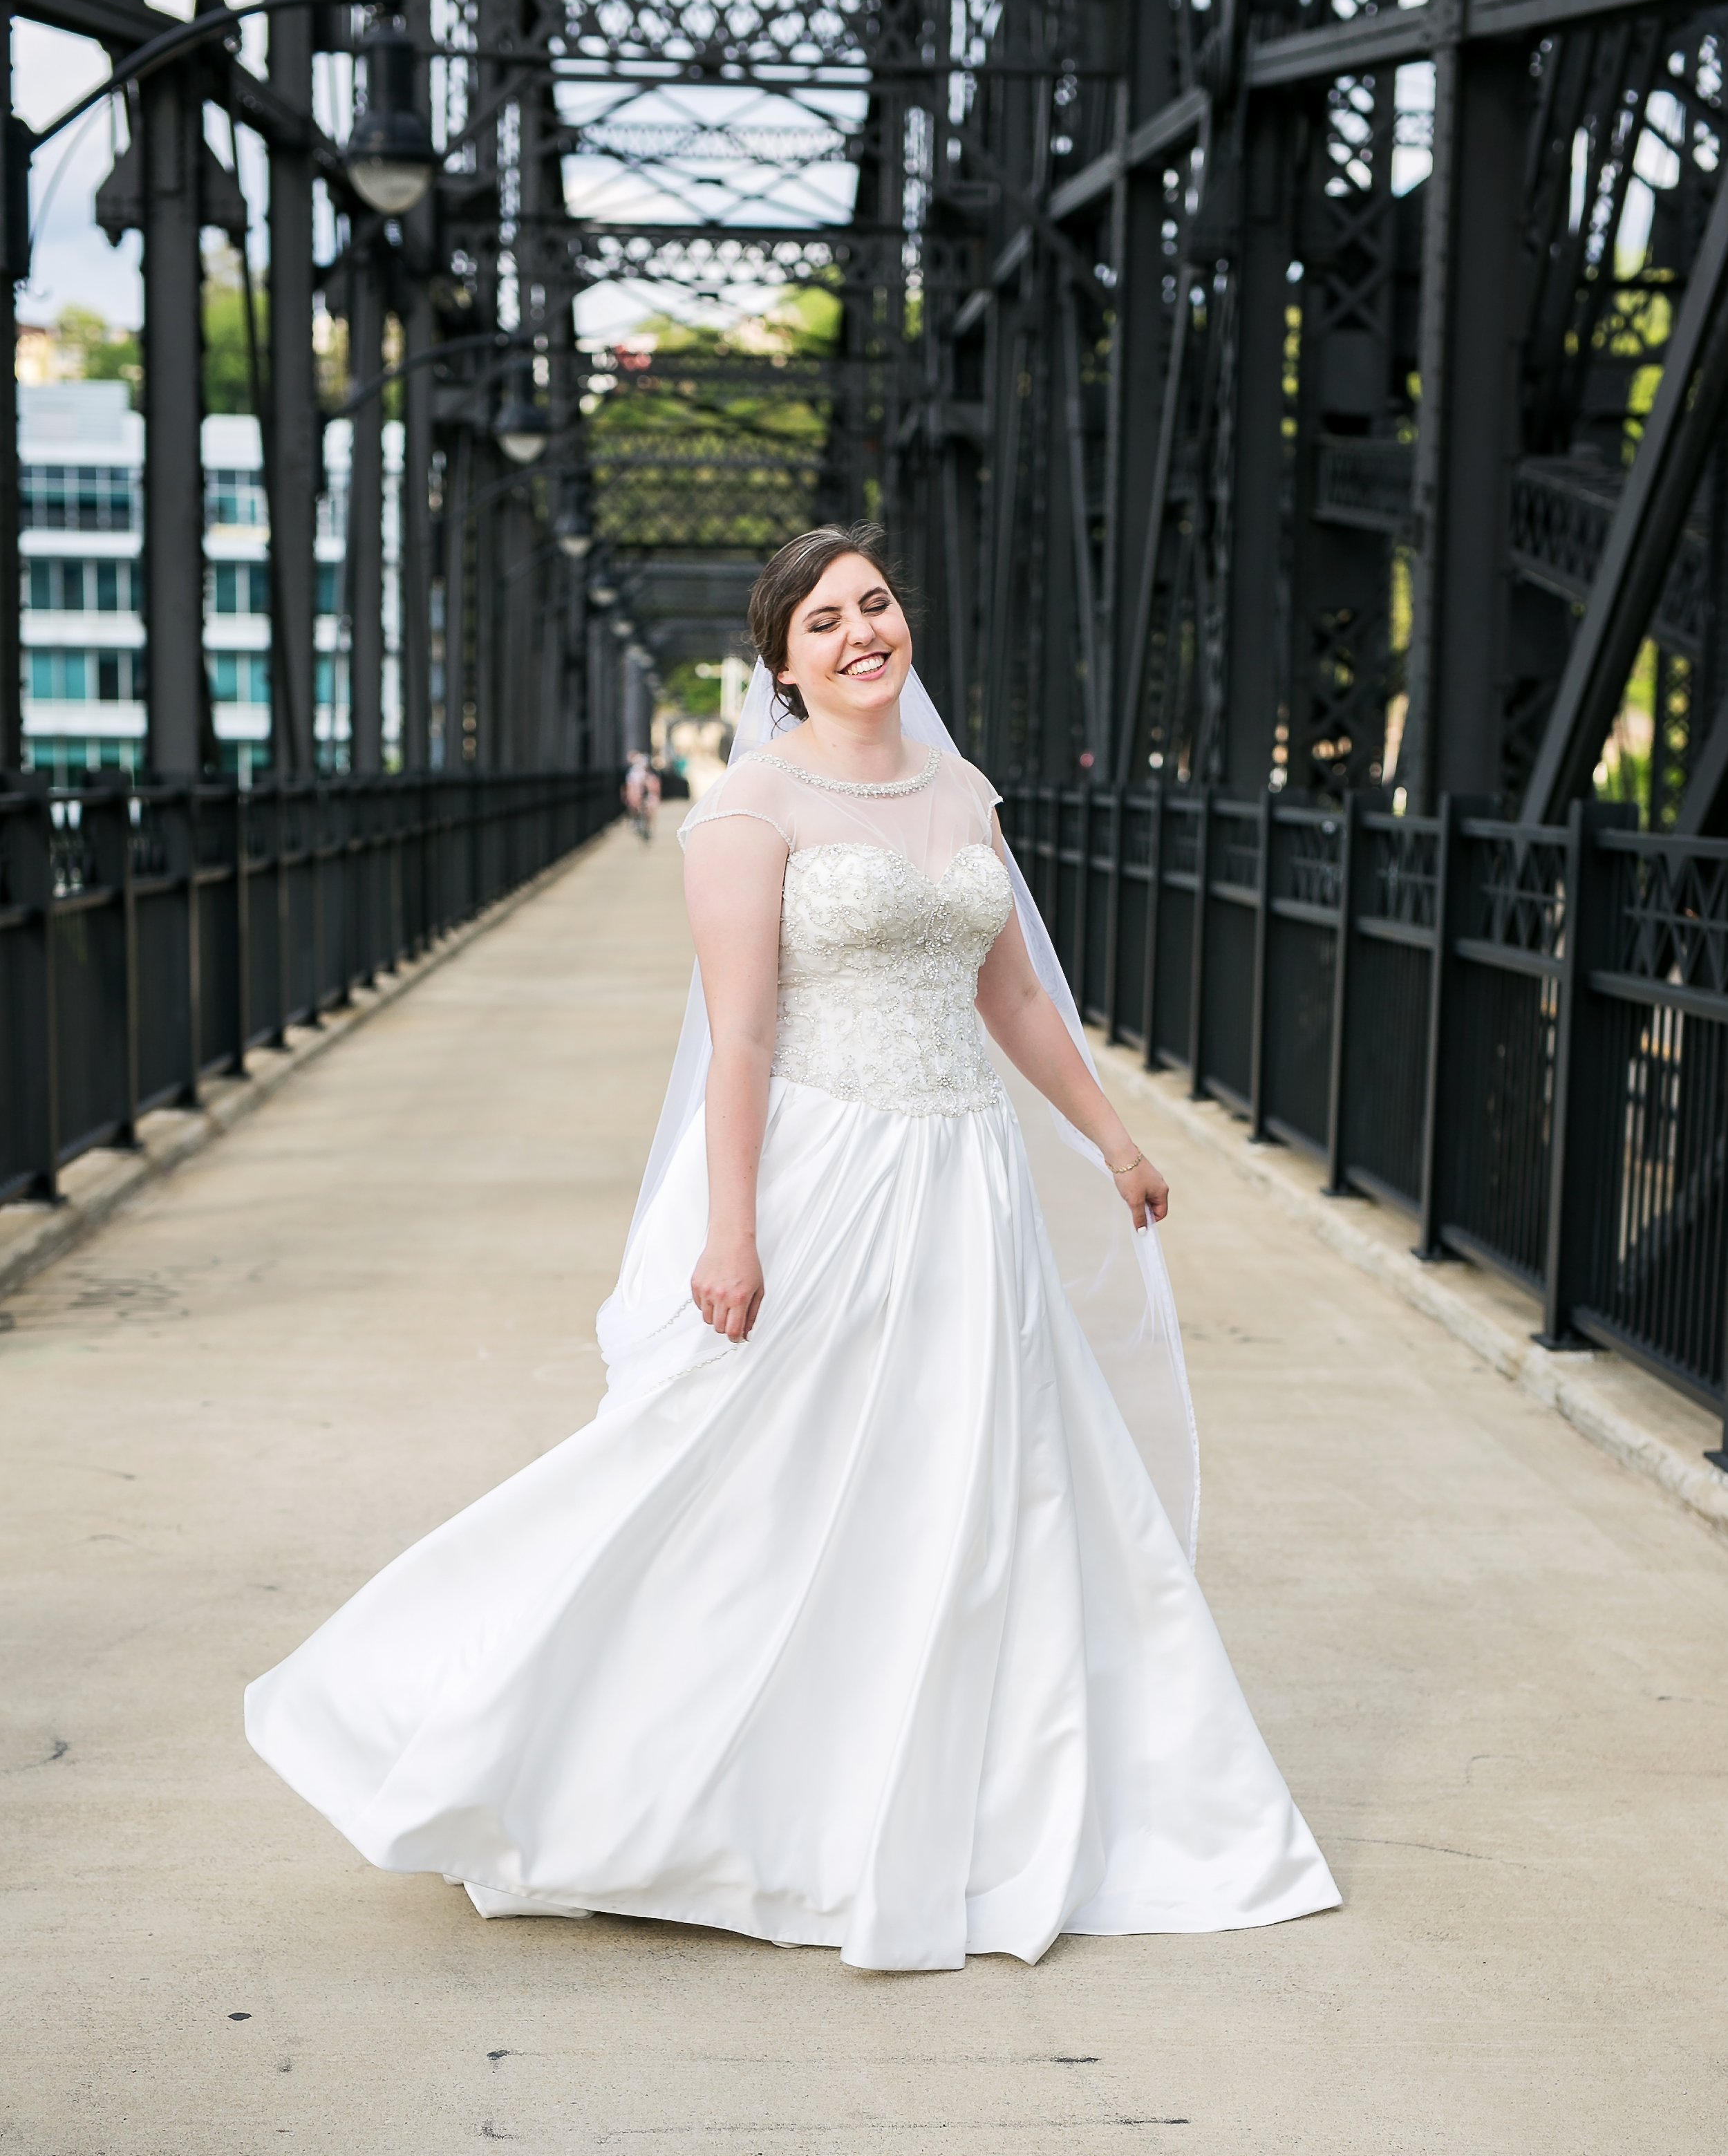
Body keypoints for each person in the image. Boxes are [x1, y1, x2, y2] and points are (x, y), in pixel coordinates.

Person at [245, 523, 1339, 1971]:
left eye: (874, 606)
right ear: (780, 664)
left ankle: (963, 1800)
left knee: (975, 1484)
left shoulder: (960, 795)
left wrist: (1112, 1141)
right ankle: (512, 1730)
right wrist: (729, 1229)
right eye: (822, 623)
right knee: (736, 1470)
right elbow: (742, 1033)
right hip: (832, 1172)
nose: (858, 636)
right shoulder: (750, 805)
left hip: (967, 1180)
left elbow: (1013, 1000)